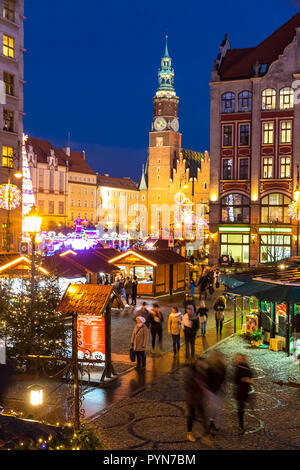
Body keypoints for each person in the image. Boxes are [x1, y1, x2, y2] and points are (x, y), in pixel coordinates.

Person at [184, 357, 211, 445]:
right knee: (192, 416)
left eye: (203, 363)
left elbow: (207, 382)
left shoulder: (203, 372)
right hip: (192, 398)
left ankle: (206, 434)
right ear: (196, 364)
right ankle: (189, 433)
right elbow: (187, 386)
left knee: (203, 415)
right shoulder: (191, 373)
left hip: (199, 398)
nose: (202, 365)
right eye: (200, 363)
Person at [206, 351, 226, 433]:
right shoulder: (210, 367)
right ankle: (211, 423)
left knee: (216, 407)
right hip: (212, 391)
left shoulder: (222, 367)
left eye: (221, 357)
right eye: (219, 357)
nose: (221, 358)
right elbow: (207, 379)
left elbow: (223, 378)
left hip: (218, 390)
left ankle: (212, 423)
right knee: (215, 407)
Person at [234, 353, 254, 434]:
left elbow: (250, 375)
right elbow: (236, 380)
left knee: (241, 408)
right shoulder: (239, 368)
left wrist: (247, 379)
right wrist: (245, 379)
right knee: (241, 409)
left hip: (244, 391)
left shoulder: (245, 367)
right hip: (241, 392)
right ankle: (241, 426)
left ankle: (241, 425)